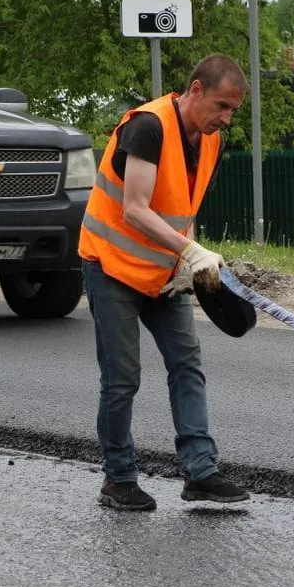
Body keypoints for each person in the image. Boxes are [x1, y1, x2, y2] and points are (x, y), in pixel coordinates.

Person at [78, 54, 251, 511]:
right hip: (111, 267)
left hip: (162, 275)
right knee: (122, 377)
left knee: (187, 363)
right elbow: (135, 207)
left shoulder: (209, 140)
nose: (226, 118)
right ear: (194, 90)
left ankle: (201, 472)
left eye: (233, 110)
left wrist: (185, 263)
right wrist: (190, 252)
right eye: (221, 106)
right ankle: (118, 480)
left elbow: (182, 208)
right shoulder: (147, 127)